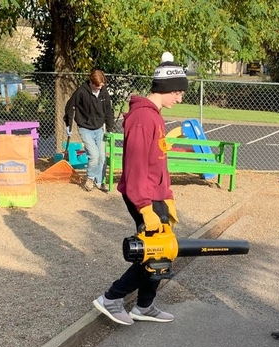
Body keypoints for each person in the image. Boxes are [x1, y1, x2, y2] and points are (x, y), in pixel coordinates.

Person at [92, 52, 188, 326]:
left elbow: (157, 163)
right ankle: (111, 298)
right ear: (166, 89)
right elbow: (135, 168)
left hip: (154, 195)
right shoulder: (143, 118)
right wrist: (146, 208)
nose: (180, 98)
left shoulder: (154, 117)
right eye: (178, 93)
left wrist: (167, 197)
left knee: (163, 252)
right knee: (154, 251)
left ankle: (144, 306)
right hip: (142, 195)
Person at [64, 69, 115, 192]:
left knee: (102, 157)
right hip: (85, 128)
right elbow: (70, 107)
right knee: (94, 155)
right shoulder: (81, 92)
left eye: (102, 85)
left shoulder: (103, 92)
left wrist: (110, 128)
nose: (100, 87)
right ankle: (90, 179)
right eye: (97, 85)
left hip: (99, 129)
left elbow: (108, 111)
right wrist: (68, 124)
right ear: (91, 83)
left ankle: (99, 181)